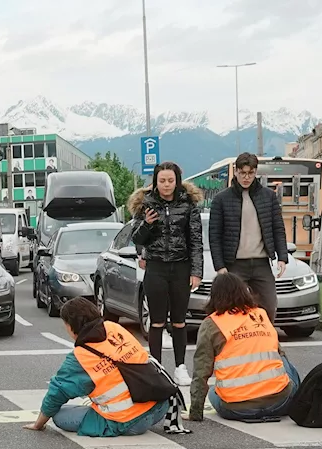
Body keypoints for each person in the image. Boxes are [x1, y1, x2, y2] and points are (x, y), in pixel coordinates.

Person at [23, 297, 168, 437]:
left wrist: (38, 424)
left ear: (71, 326)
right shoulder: (114, 328)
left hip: (127, 421)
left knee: (60, 416)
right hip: (158, 407)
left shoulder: (80, 357)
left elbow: (57, 393)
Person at [128, 161, 203, 385]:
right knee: (157, 321)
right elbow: (137, 239)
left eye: (171, 180)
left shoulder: (189, 205)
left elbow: (196, 240)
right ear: (155, 181)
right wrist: (147, 224)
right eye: (162, 181)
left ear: (177, 181)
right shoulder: (146, 204)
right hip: (156, 267)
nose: (167, 185)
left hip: (181, 267)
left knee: (179, 321)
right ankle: (156, 368)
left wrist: (196, 271)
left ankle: (180, 366)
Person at [188, 273, 300, 422]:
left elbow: (201, 371)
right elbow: (279, 353)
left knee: (214, 392)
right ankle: (297, 399)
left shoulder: (212, 324)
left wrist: (195, 412)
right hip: (279, 403)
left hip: (236, 408)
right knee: (284, 362)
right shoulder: (260, 314)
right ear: (244, 291)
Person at [208, 151, 288, 325]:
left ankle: (265, 343)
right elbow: (214, 235)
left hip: (261, 263)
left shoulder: (268, 196)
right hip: (235, 264)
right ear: (236, 171)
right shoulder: (221, 199)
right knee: (231, 308)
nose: (246, 177)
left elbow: (277, 228)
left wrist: (283, 257)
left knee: (269, 305)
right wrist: (220, 266)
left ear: (256, 172)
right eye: (243, 173)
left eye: (250, 173)